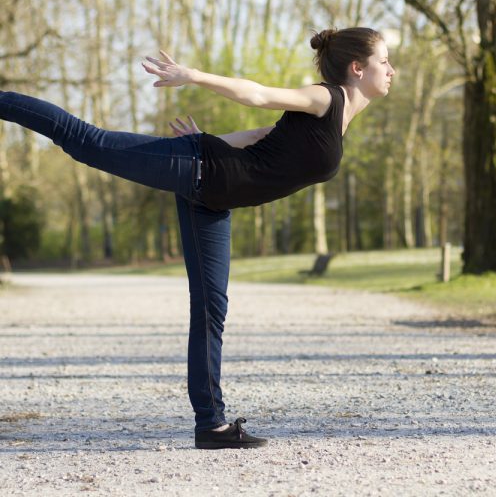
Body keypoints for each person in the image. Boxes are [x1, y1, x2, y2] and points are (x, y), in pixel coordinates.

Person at [0, 27, 395, 449]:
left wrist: (204, 139)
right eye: (384, 61)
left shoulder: (339, 121)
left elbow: (261, 138)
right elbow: (257, 94)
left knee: (211, 309)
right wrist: (193, 76)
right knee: (86, 141)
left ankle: (211, 425)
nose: (391, 70)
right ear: (357, 68)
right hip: (197, 168)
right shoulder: (327, 98)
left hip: (209, 195)